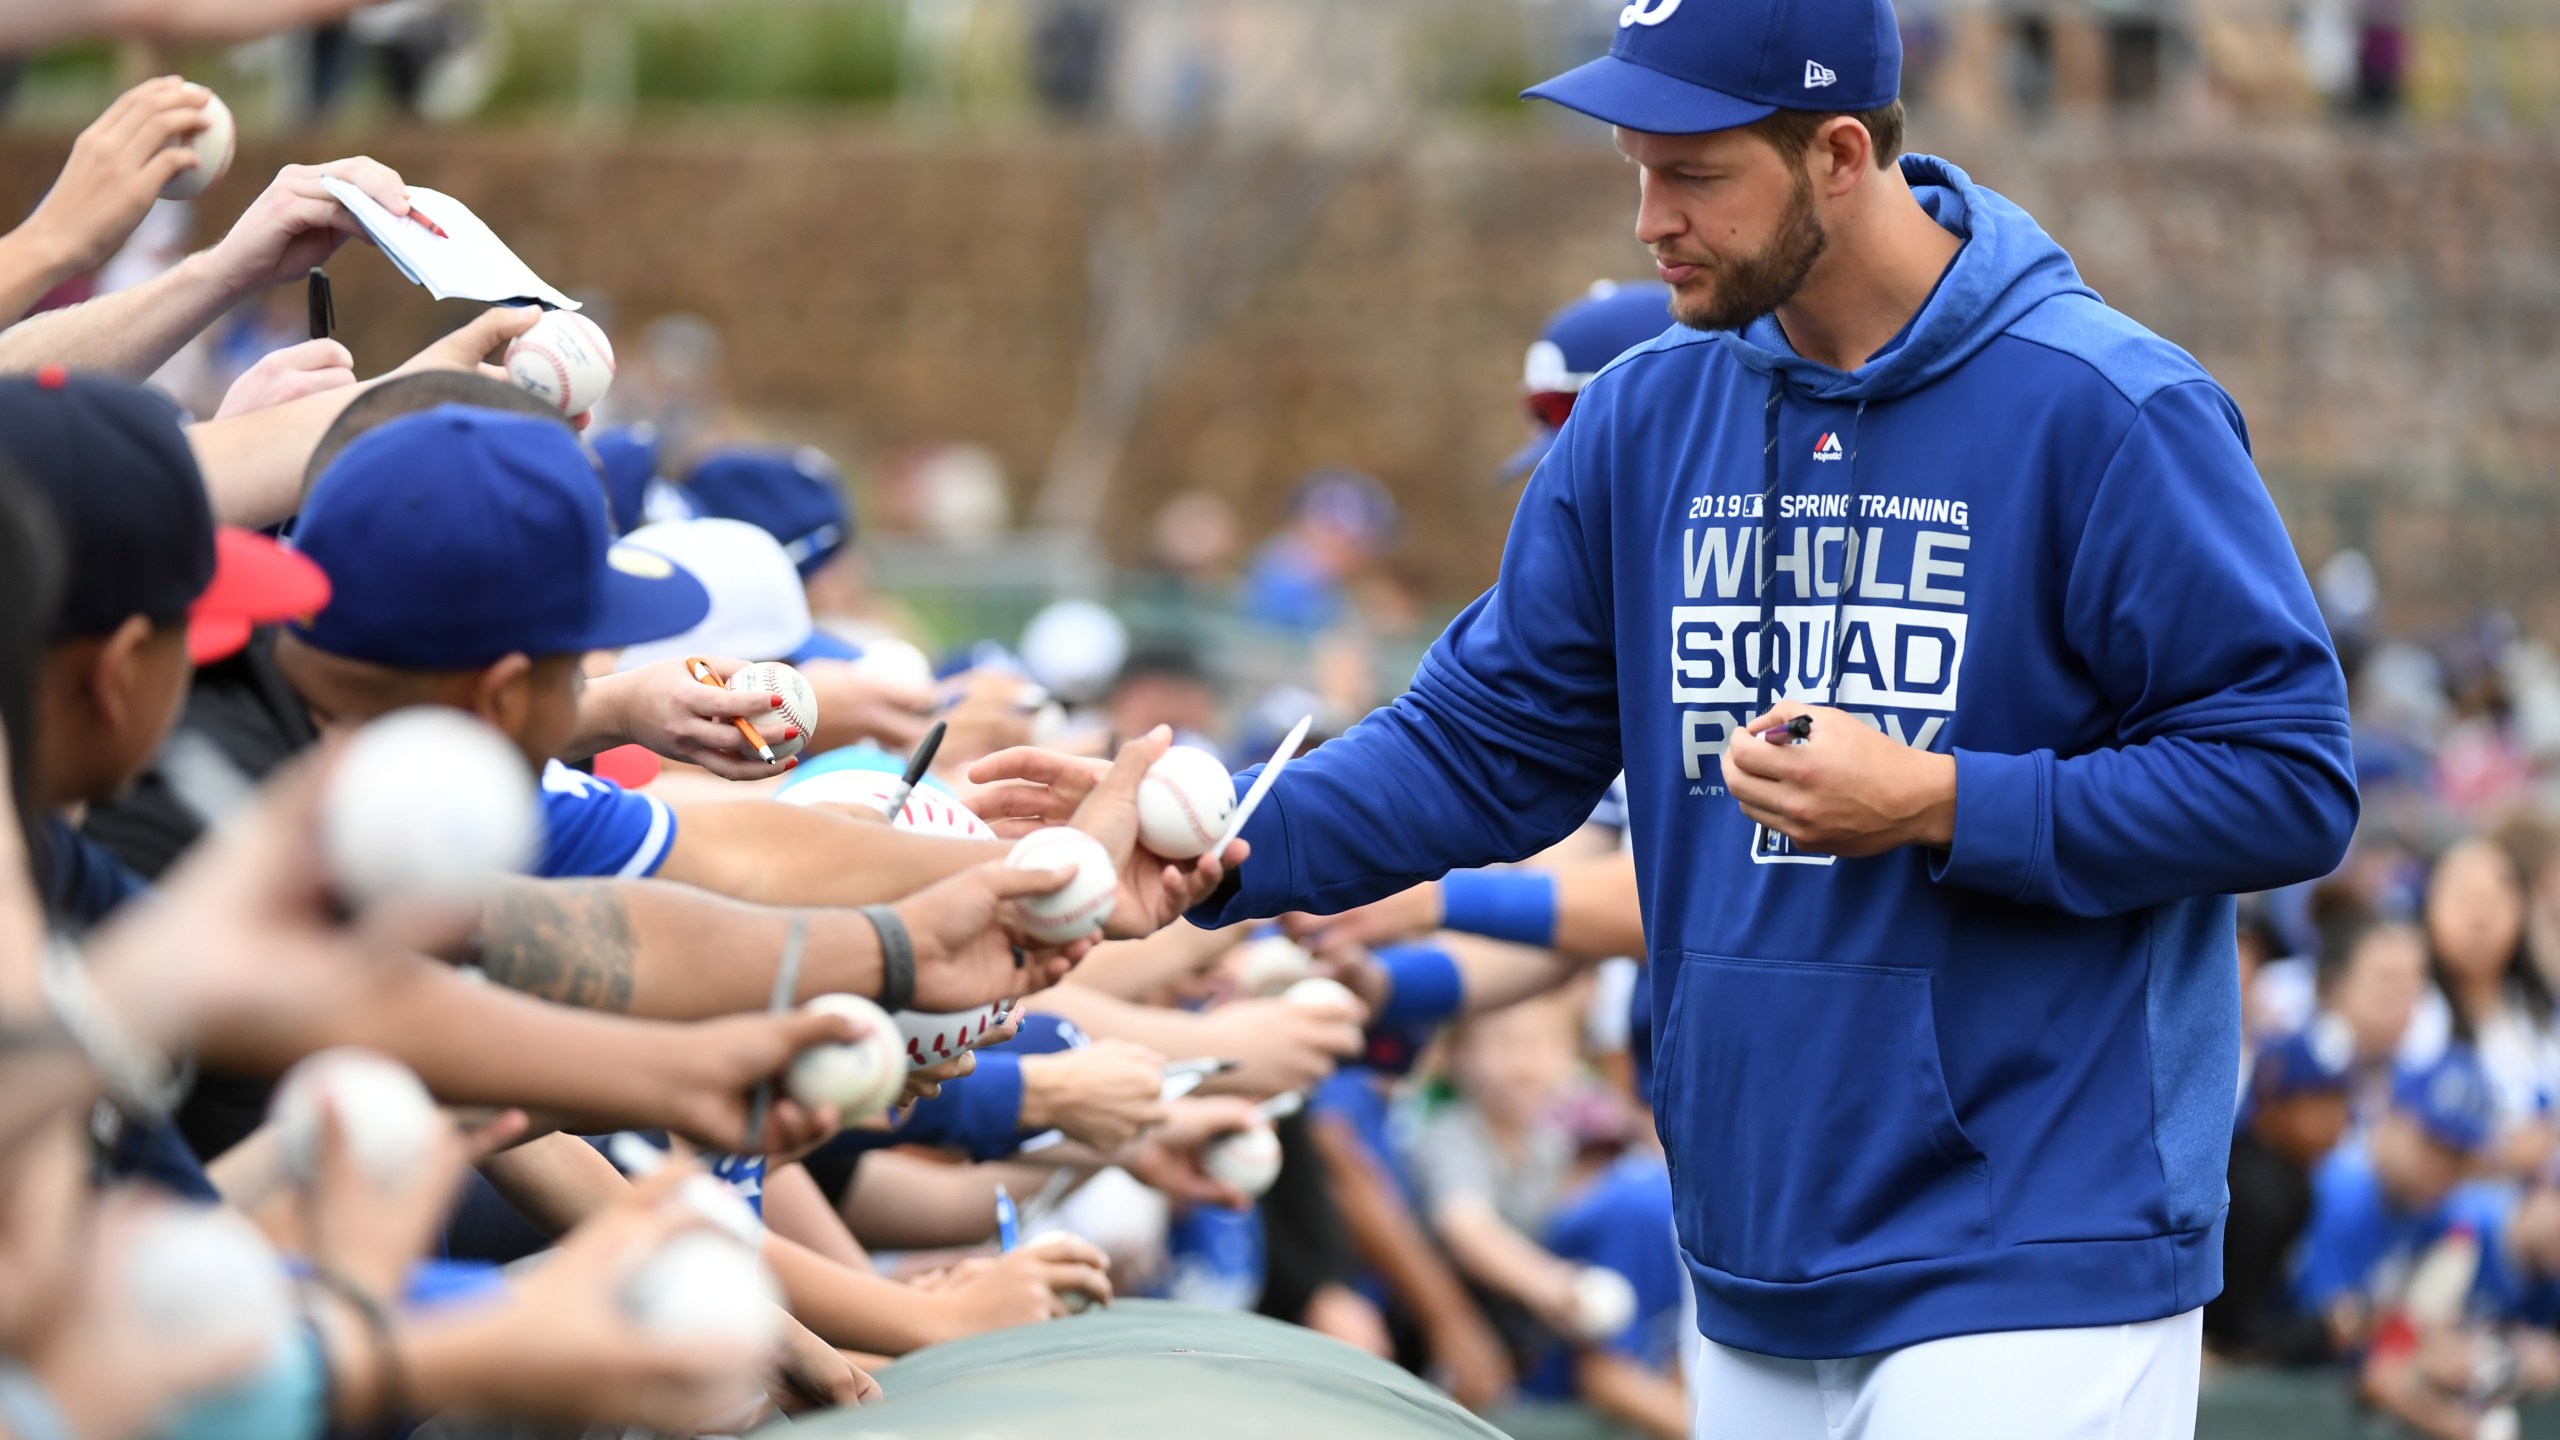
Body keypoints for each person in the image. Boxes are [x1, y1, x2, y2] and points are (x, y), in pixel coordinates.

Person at [983, 0, 2363, 1431]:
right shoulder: (1642, 415)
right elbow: (1481, 746)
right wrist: (1224, 844)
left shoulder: (2106, 405)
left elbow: (2287, 780)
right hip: (1751, 1252)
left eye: (1693, 173)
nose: (1650, 220)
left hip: (2039, 1242)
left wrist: (1942, 800)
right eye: (1636, 167)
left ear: (1839, 151)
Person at [2292, 1048, 2497, 1351]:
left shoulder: (2432, 1208)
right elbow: (2326, 1335)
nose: (2442, 1168)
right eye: (2433, 1143)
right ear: (2390, 1116)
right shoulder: (2341, 1191)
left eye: (2458, 1157)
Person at [2402, 837, 2560, 1178]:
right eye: (2463, 899)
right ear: (2428, 907)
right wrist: (2502, 1156)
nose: (2479, 917)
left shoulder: (2542, 1015)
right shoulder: (2410, 1014)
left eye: (2493, 900)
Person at [2205, 1019, 2355, 1364]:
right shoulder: (2257, 1194)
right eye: (2319, 1100)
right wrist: (2320, 1335)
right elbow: (2230, 1334)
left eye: (2341, 1100)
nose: (2337, 1118)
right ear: (2272, 1103)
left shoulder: (2292, 1179)